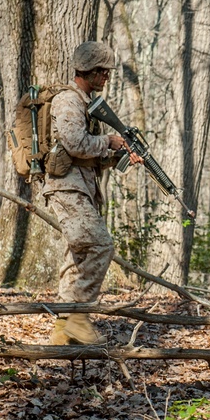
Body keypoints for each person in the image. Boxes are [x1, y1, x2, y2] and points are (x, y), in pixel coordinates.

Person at [43, 41, 140, 345]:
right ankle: (79, 317)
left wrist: (119, 156)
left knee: (77, 255)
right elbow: (75, 143)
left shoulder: (85, 102)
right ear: (90, 71)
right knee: (101, 246)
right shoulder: (69, 101)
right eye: (104, 72)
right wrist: (108, 141)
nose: (107, 77)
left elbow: (88, 154)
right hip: (66, 188)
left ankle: (62, 328)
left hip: (80, 187)